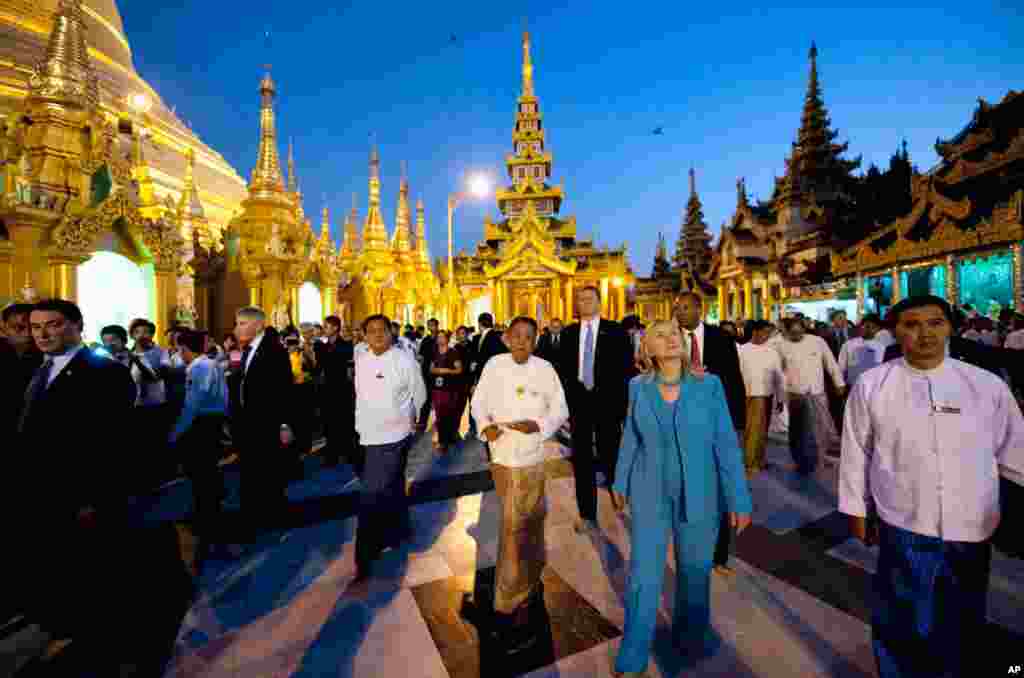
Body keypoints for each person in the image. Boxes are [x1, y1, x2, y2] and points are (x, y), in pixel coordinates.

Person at [839, 295, 1024, 678]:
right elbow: (856, 451)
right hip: (903, 520)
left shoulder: (985, 386)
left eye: (936, 323)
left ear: (950, 327)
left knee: (963, 616)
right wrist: (856, 509)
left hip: (971, 523)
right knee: (902, 617)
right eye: (912, 324)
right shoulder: (874, 385)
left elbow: (1015, 452)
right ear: (897, 331)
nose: (925, 333)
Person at [611, 320, 752, 676]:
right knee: (644, 574)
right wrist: (620, 479)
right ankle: (634, 652)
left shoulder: (709, 385)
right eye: (661, 335)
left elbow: (725, 444)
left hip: (699, 493)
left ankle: (690, 640)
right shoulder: (637, 387)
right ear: (648, 349)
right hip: (649, 492)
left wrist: (739, 498)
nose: (671, 338)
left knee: (694, 572)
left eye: (675, 333)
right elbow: (630, 435)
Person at [18, 299, 137, 669]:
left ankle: (98, 644)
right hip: (42, 490)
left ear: (75, 326)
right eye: (35, 328)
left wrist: (92, 496)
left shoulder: (103, 372)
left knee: (90, 568)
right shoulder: (39, 369)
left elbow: (109, 443)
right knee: (55, 563)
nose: (42, 334)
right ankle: (62, 625)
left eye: (52, 325)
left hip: (83, 492)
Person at [470, 317, 568, 644]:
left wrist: (539, 425)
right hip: (502, 454)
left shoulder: (545, 369)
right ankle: (508, 597)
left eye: (529, 337)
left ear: (536, 341)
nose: (522, 342)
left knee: (531, 519)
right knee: (513, 523)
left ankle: (530, 572)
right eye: (517, 336)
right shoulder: (494, 365)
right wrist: (485, 426)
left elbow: (560, 409)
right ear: (506, 338)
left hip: (532, 455)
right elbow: (479, 402)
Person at [674, 292, 746, 576]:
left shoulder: (721, 339)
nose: (680, 312)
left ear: (699, 309)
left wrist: (737, 423)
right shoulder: (670, 340)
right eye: (677, 308)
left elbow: (734, 380)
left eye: (686, 307)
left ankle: (719, 554)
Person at [352, 315, 426, 584]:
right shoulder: (361, 360)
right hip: (368, 435)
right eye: (371, 331)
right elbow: (361, 395)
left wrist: (411, 419)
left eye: (382, 331)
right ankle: (398, 529)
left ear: (390, 333)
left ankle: (365, 553)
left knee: (371, 492)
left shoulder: (404, 360)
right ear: (364, 335)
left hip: (395, 435)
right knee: (392, 484)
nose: (377, 335)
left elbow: (420, 393)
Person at [557, 285, 633, 530]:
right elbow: (563, 371)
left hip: (608, 403)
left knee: (611, 454)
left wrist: (623, 407)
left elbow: (625, 371)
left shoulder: (616, 331)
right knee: (582, 460)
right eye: (580, 300)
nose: (584, 303)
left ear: (599, 303)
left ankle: (618, 494)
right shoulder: (568, 333)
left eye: (589, 299)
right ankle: (587, 513)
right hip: (579, 404)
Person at [231, 307, 297, 545]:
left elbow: (283, 389)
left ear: (258, 325)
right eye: (237, 323)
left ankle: (272, 519)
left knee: (268, 471)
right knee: (252, 471)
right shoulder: (247, 350)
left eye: (241, 323)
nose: (236, 328)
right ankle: (256, 516)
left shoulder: (273, 350)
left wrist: (284, 423)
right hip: (249, 422)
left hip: (267, 422)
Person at [168, 329, 228, 565]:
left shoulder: (200, 368)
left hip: (201, 425)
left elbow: (193, 403)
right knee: (207, 472)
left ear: (184, 349)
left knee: (201, 473)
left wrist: (176, 431)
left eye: (178, 349)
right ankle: (209, 514)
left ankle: (207, 521)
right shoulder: (211, 365)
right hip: (211, 422)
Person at [774, 316, 846, 474]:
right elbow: (778, 373)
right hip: (795, 394)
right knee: (797, 430)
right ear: (786, 332)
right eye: (792, 333)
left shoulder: (817, 342)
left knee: (820, 428)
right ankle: (799, 460)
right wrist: (781, 395)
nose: (796, 335)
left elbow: (831, 363)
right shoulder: (780, 346)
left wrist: (839, 383)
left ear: (804, 330)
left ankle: (820, 458)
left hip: (817, 392)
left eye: (799, 332)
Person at [737, 320, 785, 475]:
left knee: (762, 431)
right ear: (756, 332)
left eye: (769, 333)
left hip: (767, 394)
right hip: (750, 394)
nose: (767, 336)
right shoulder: (741, 350)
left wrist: (780, 397)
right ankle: (749, 463)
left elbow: (779, 376)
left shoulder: (772, 352)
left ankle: (759, 459)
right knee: (752, 431)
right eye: (765, 332)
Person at [315, 315, 356, 469]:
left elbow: (345, 367)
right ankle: (331, 454)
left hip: (341, 390)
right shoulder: (322, 347)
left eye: (327, 326)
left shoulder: (345, 346)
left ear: (335, 328)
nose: (324, 329)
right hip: (326, 390)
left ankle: (347, 453)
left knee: (343, 423)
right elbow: (319, 367)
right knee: (328, 423)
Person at [430, 330, 464, 454]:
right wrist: (436, 370)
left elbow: (459, 369)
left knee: (448, 414)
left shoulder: (453, 352)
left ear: (447, 339)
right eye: (438, 337)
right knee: (439, 415)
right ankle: (442, 440)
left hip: (450, 388)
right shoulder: (435, 352)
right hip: (437, 388)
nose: (439, 339)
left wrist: (447, 371)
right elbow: (431, 368)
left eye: (442, 337)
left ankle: (448, 438)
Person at [837, 313, 886, 388]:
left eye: (873, 327)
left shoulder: (882, 347)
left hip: (875, 387)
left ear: (878, 329)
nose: (869, 329)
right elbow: (841, 367)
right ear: (860, 327)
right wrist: (841, 384)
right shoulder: (848, 345)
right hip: (853, 387)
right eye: (866, 326)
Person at [418, 318, 442, 431]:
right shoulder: (425, 340)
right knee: (426, 399)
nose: (431, 327)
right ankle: (422, 423)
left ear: (437, 326)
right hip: (427, 373)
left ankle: (441, 422)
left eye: (433, 325)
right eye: (429, 325)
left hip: (439, 373)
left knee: (440, 399)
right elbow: (421, 357)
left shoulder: (442, 338)